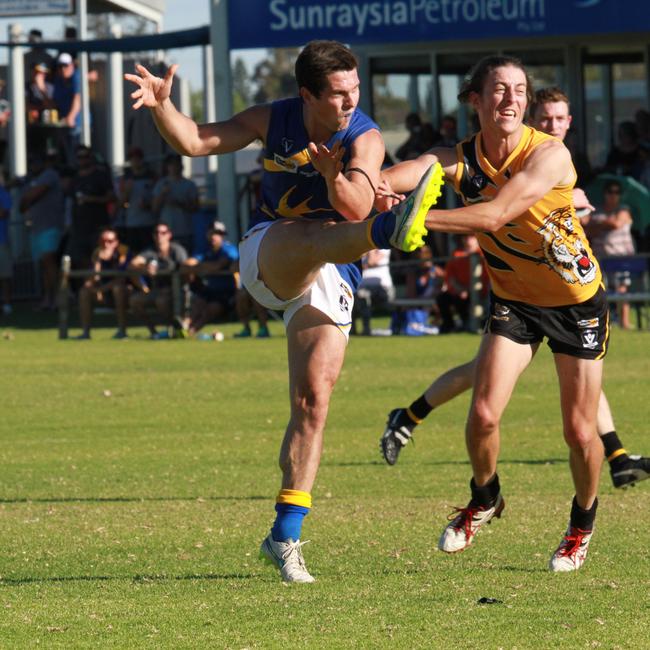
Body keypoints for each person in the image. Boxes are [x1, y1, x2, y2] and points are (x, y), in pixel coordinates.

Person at [125, 39, 442, 583]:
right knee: (321, 234)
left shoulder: (362, 134)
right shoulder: (273, 119)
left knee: (313, 401)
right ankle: (393, 231)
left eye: (355, 90)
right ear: (307, 94)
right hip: (271, 250)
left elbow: (357, 203)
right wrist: (162, 106)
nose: (351, 102)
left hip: (334, 267)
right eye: (339, 94)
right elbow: (197, 142)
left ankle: (284, 537)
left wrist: (332, 177)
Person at [375, 58, 609, 572]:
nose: (511, 99)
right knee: (482, 415)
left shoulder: (548, 154)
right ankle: (484, 500)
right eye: (499, 90)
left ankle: (582, 525)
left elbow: (495, 213)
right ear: (475, 100)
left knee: (578, 431)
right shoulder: (456, 159)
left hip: (575, 304)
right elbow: (390, 179)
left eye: (519, 90)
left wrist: (416, 217)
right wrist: (359, 182)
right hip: (516, 301)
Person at [380, 86, 650, 491]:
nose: (553, 128)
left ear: (570, 123)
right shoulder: (507, 156)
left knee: (581, 388)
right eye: (545, 121)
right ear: (527, 120)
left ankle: (614, 456)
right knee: (483, 386)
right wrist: (378, 191)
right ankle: (412, 418)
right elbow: (495, 210)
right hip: (519, 297)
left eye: (561, 120)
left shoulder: (557, 162)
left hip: (567, 298)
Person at [583, 180, 636, 329]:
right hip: (601, 258)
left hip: (622, 257)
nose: (613, 195)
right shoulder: (597, 210)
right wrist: (604, 223)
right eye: (610, 192)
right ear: (604, 193)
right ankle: (605, 322)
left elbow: (616, 224)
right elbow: (586, 230)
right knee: (601, 290)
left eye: (616, 192)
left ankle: (624, 322)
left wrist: (598, 224)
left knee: (622, 289)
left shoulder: (624, 209)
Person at [19, 154, 65, 310]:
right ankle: (48, 299)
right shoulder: (30, 178)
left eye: (37, 162)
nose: (33, 165)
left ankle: (60, 297)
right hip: (36, 227)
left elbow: (31, 196)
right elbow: (23, 201)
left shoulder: (49, 175)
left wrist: (26, 198)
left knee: (49, 261)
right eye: (31, 162)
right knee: (43, 265)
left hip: (50, 225)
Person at [128, 224, 188, 339]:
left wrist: (172, 288)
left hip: (177, 290)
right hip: (157, 290)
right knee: (134, 300)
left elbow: (186, 272)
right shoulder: (150, 251)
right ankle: (154, 332)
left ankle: (175, 329)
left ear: (169, 235)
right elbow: (132, 265)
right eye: (156, 233)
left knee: (162, 301)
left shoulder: (177, 250)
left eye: (163, 233)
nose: (159, 235)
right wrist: (145, 268)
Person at [183, 221, 238, 337]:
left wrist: (201, 266)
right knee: (197, 304)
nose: (213, 236)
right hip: (210, 290)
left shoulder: (228, 249)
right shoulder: (204, 249)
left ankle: (190, 333)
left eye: (217, 233)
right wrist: (206, 267)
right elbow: (187, 264)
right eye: (211, 233)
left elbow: (219, 265)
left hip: (227, 292)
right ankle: (184, 328)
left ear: (222, 235)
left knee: (210, 310)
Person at [66, 145, 116, 271]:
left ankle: (98, 287)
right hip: (79, 228)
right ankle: (86, 287)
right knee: (79, 259)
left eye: (85, 156)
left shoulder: (100, 175)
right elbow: (71, 202)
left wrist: (92, 199)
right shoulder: (75, 178)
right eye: (80, 157)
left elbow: (111, 197)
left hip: (98, 227)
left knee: (98, 258)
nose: (82, 160)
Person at [76, 227, 131, 339]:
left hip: (126, 291)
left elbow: (121, 278)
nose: (106, 244)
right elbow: (95, 277)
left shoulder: (123, 251)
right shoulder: (97, 252)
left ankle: (122, 331)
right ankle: (85, 333)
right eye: (103, 241)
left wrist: (100, 289)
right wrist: (98, 262)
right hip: (105, 291)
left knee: (118, 289)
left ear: (116, 242)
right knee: (84, 291)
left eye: (109, 241)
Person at [436, 234, 487, 333]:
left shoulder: (483, 254)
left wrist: (469, 290)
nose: (468, 240)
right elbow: (450, 276)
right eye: (465, 237)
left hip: (480, 291)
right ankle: (449, 325)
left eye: (471, 237)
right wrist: (460, 289)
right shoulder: (456, 254)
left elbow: (486, 278)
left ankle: (469, 324)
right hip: (460, 291)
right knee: (442, 298)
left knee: (468, 301)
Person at [152, 153, 198, 254]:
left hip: (184, 231)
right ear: (167, 167)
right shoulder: (161, 184)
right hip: (165, 233)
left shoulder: (189, 185)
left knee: (184, 259)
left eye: (176, 164)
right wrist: (163, 194)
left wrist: (179, 204)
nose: (174, 167)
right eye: (171, 164)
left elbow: (195, 208)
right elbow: (154, 208)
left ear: (181, 166)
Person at [118, 146, 157, 252]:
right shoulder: (125, 179)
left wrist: (148, 205)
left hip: (148, 222)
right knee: (132, 252)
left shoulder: (151, 177)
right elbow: (120, 203)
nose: (135, 161)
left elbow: (157, 199)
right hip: (131, 223)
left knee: (148, 251)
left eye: (138, 158)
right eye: (133, 159)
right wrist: (127, 191)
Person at [352, 249, 394, 336]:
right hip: (361, 287)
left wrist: (369, 249)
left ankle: (366, 329)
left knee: (362, 296)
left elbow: (371, 261)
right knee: (351, 296)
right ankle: (352, 330)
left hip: (382, 288)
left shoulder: (383, 247)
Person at [53, 52, 81, 165]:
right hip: (64, 124)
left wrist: (71, 117)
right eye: (60, 66)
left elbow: (78, 99)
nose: (63, 69)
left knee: (77, 156)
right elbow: (54, 102)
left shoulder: (77, 76)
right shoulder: (58, 80)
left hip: (78, 124)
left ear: (72, 65)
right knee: (67, 156)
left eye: (66, 65)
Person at [0, 173, 12, 315]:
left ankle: (7, 304)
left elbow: (3, 213)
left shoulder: (3, 193)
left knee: (5, 275)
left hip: (2, 241)